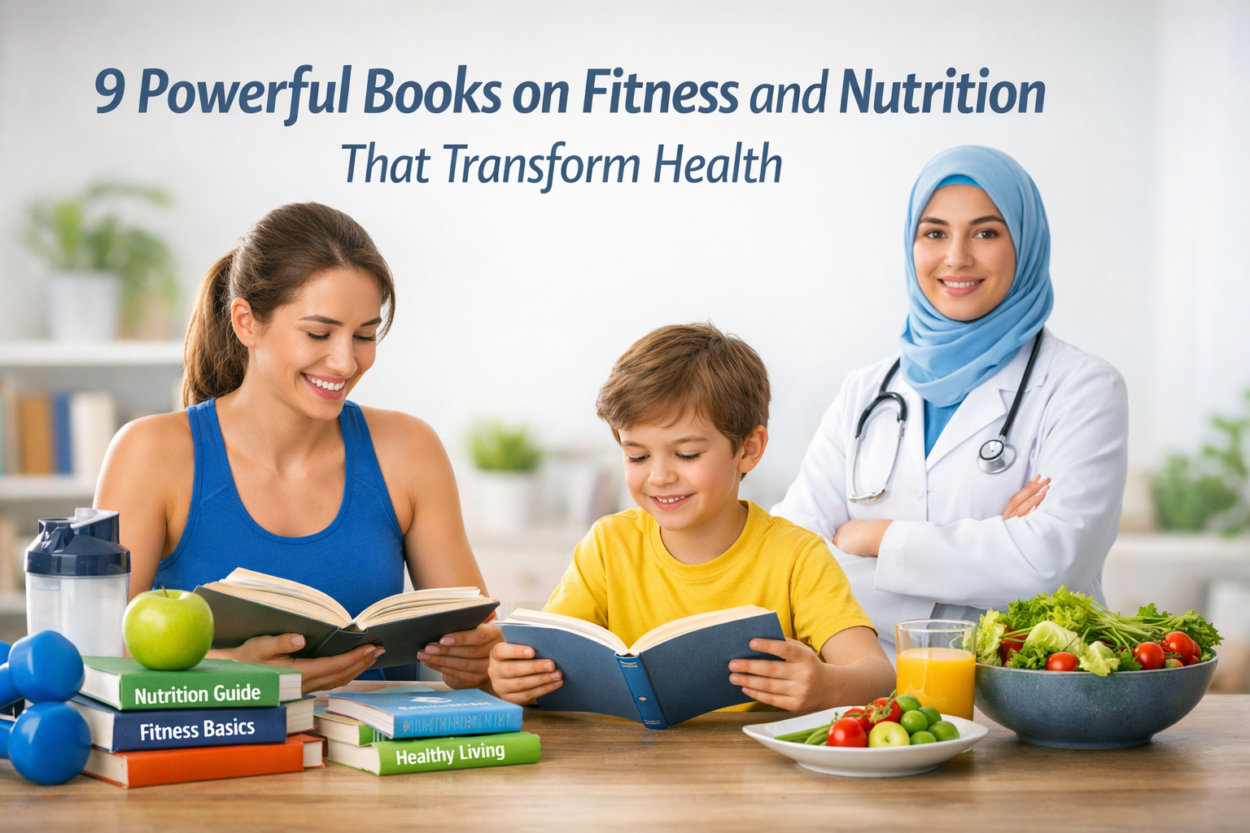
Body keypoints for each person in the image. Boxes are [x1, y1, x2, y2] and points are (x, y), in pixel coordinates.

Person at [97, 202, 499, 693]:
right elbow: (93, 657)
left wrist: (482, 660)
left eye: (365, 335)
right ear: (246, 322)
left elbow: (481, 646)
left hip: (379, 760)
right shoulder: (151, 454)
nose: (346, 361)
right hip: (213, 758)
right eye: (318, 333)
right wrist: (237, 675)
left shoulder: (410, 451)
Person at [772, 146, 1129, 656]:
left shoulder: (1083, 386)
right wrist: (992, 540)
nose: (956, 257)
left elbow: (1051, 562)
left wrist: (872, 538)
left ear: (1025, 245)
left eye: (986, 232)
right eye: (934, 233)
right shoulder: (866, 390)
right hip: (865, 693)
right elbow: (792, 556)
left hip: (1019, 698)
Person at [489, 323, 895, 711]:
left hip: (753, 774)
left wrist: (825, 687)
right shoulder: (608, 546)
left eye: (686, 454)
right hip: (624, 770)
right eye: (637, 455)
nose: (660, 476)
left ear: (749, 449)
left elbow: (878, 675)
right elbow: (543, 662)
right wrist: (516, 680)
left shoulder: (796, 556)